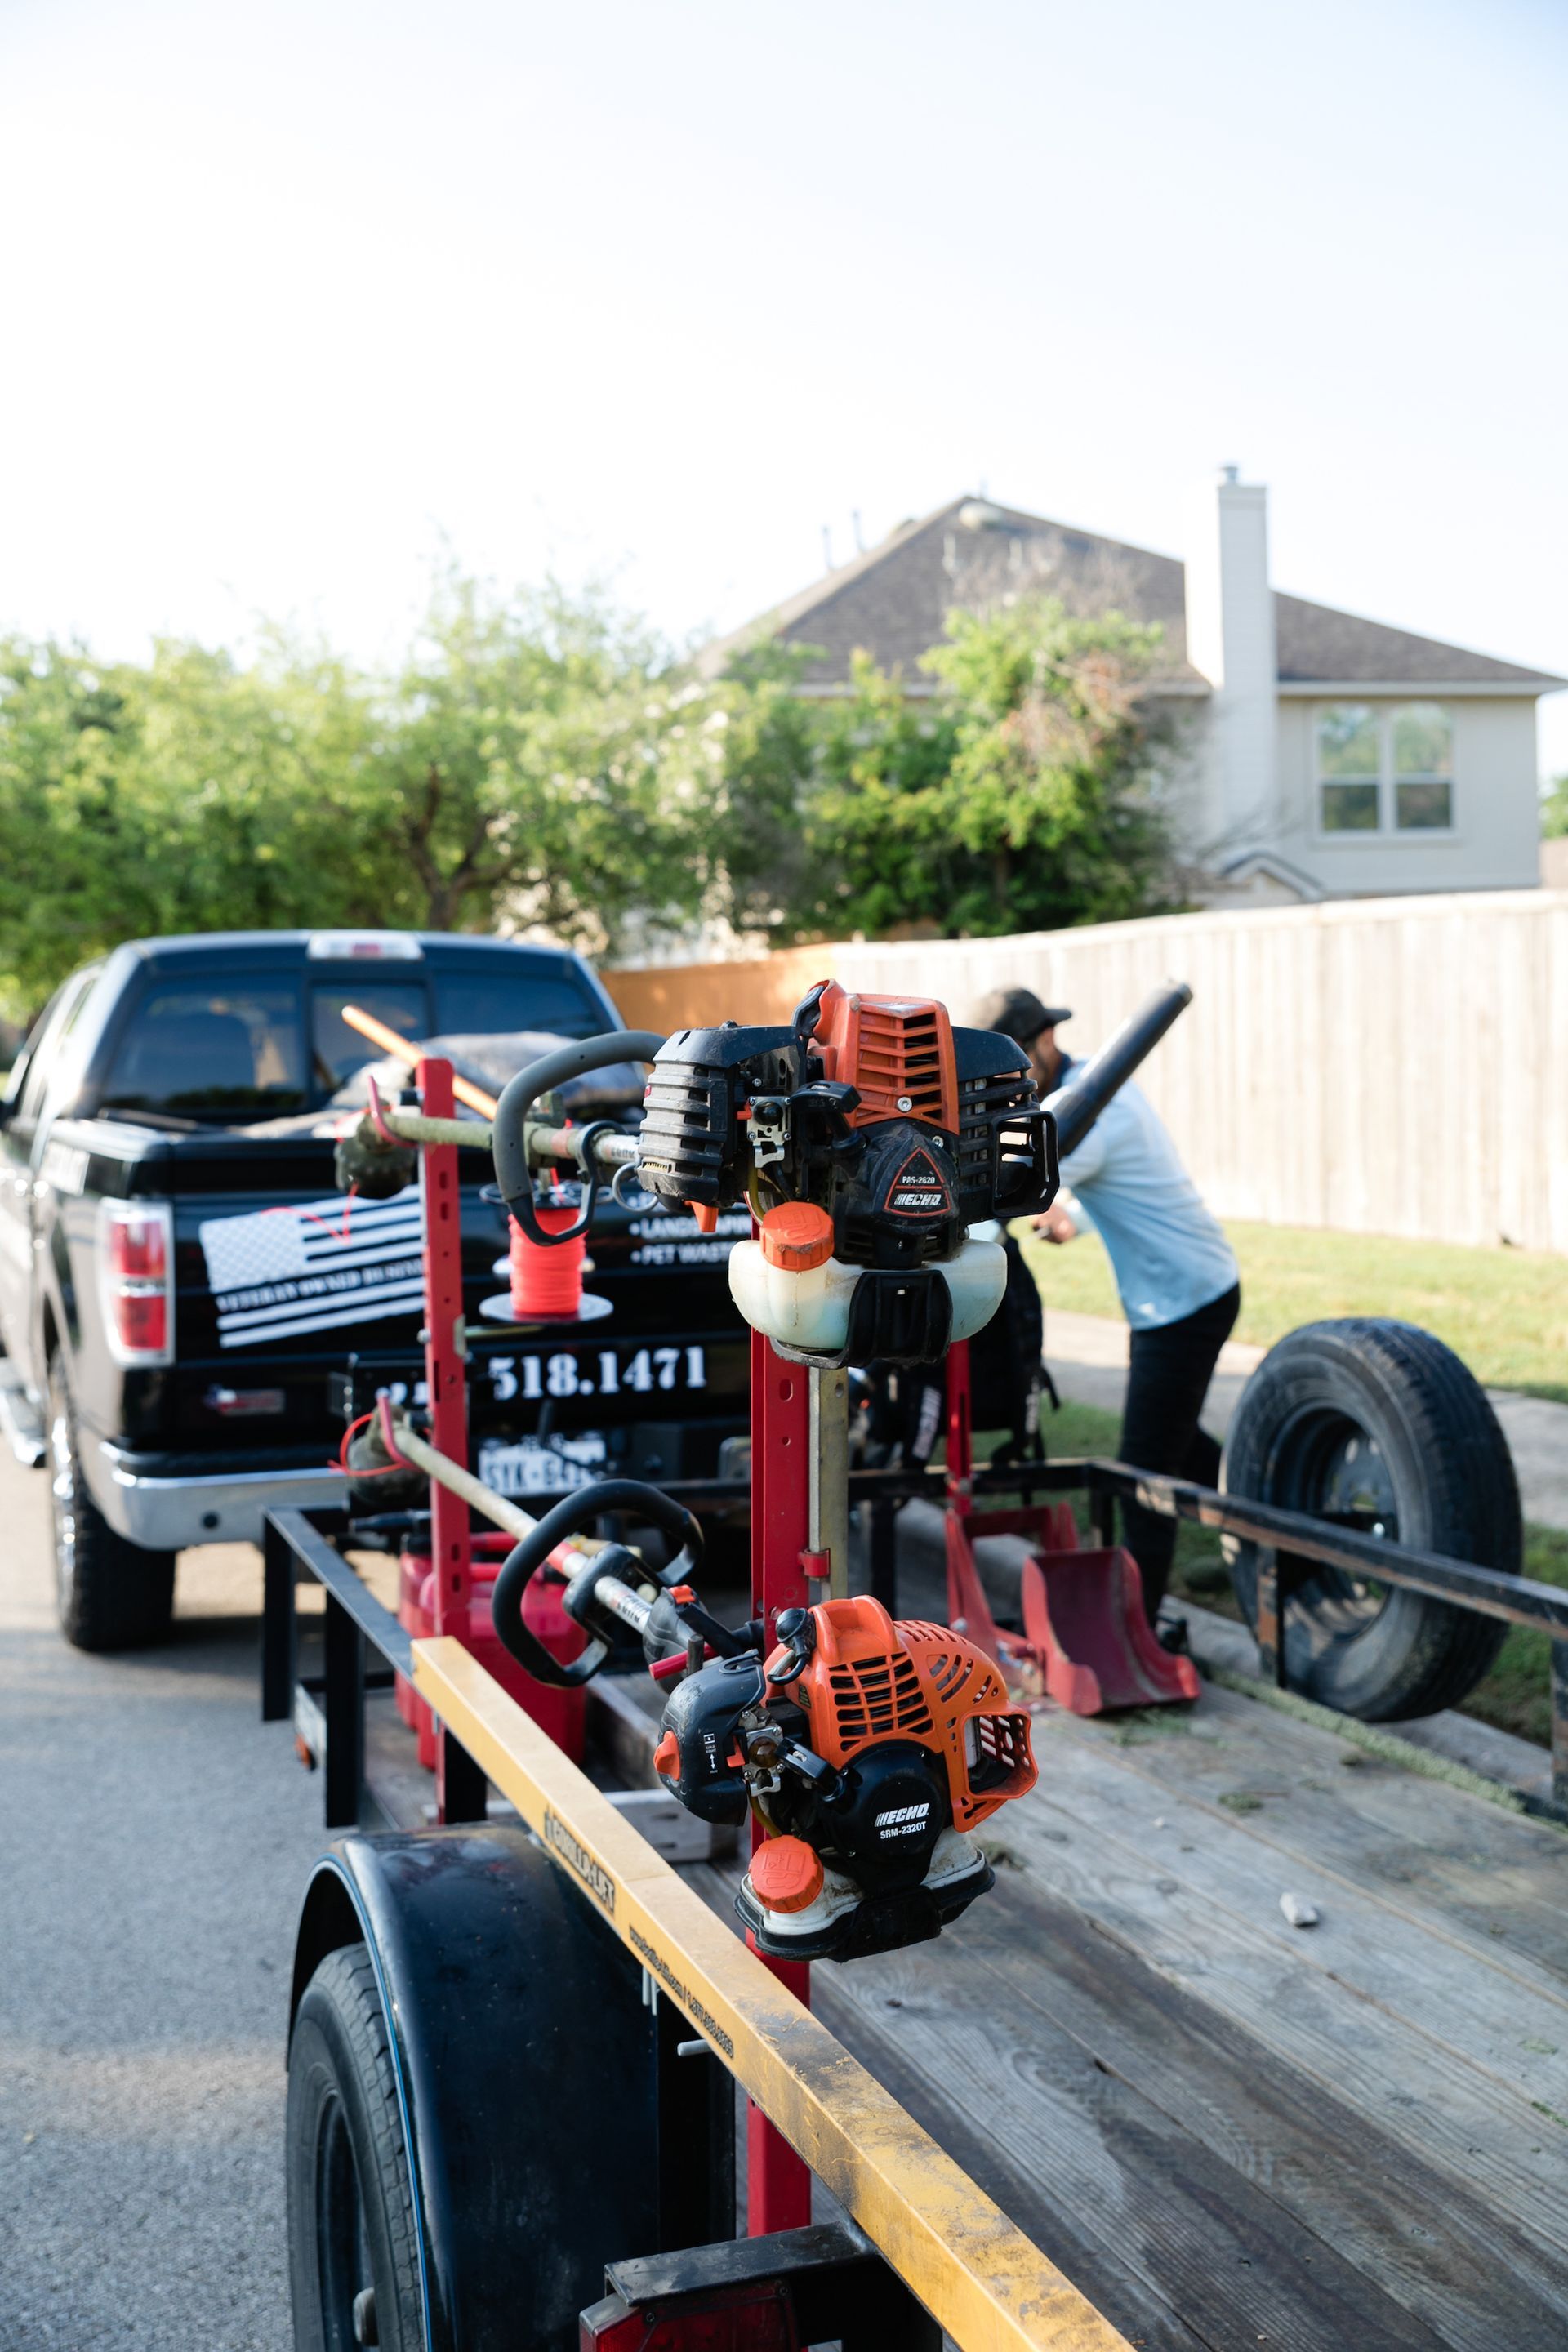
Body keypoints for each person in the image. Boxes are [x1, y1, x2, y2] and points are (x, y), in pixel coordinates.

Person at [973, 984, 1241, 1631]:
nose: (1006, 1081)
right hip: (1180, 1290)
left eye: (1013, 1062)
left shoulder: (1088, 1106)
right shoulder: (1093, 1081)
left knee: (1144, 1470)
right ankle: (1259, 1546)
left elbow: (1015, 1183)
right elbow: (1114, 1181)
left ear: (1044, 1043)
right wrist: (1074, 1221)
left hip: (1185, 1299)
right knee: (1182, 1442)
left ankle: (1137, 1626)